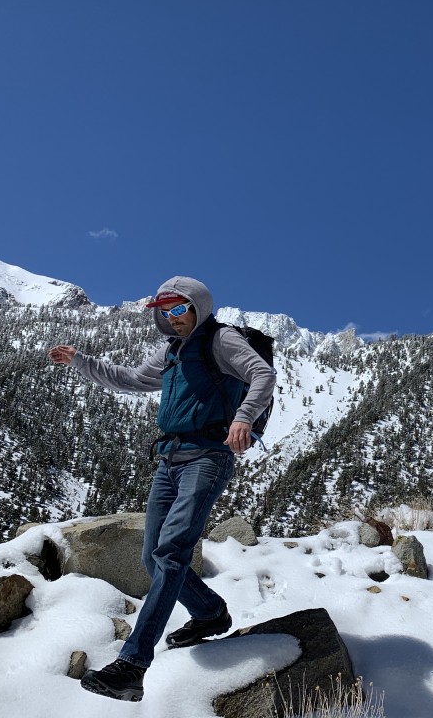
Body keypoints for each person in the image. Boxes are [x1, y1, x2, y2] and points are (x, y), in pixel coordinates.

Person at [49, 276, 276, 702]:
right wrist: (81, 361)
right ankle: (209, 612)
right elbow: (132, 379)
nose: (172, 318)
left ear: (198, 307)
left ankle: (132, 665)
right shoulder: (173, 350)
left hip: (207, 458)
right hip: (169, 461)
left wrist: (243, 418)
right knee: (152, 557)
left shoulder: (221, 340)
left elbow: (262, 373)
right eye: (165, 311)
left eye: (179, 309)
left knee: (171, 554)